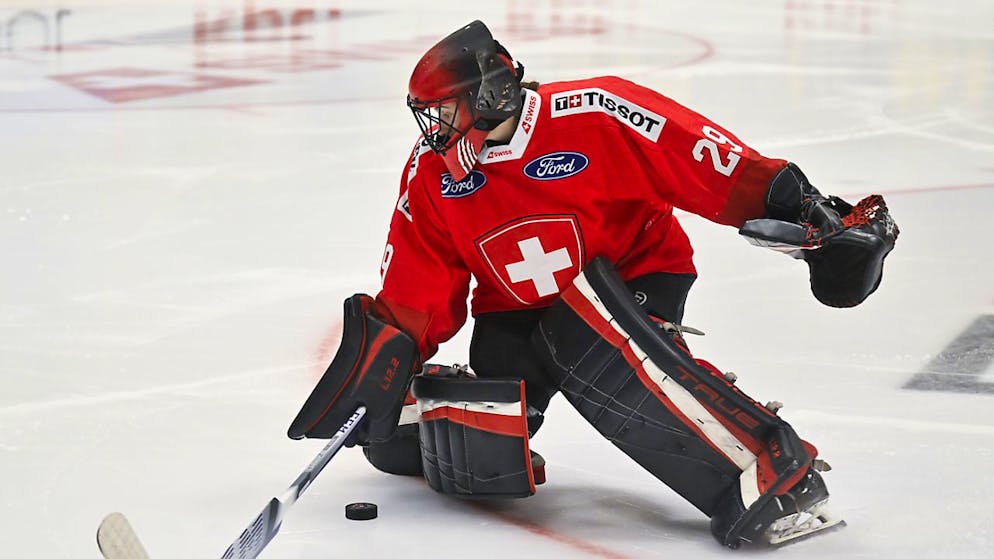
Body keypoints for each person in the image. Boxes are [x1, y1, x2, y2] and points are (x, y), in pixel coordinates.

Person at [287, 20, 898, 548]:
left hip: (633, 277)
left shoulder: (597, 112)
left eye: (444, 112)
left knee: (584, 346)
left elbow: (701, 160)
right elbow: (421, 268)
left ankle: (771, 468)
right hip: (515, 310)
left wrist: (805, 210)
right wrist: (386, 355)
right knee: (448, 438)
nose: (433, 129)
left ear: (490, 95)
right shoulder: (433, 174)